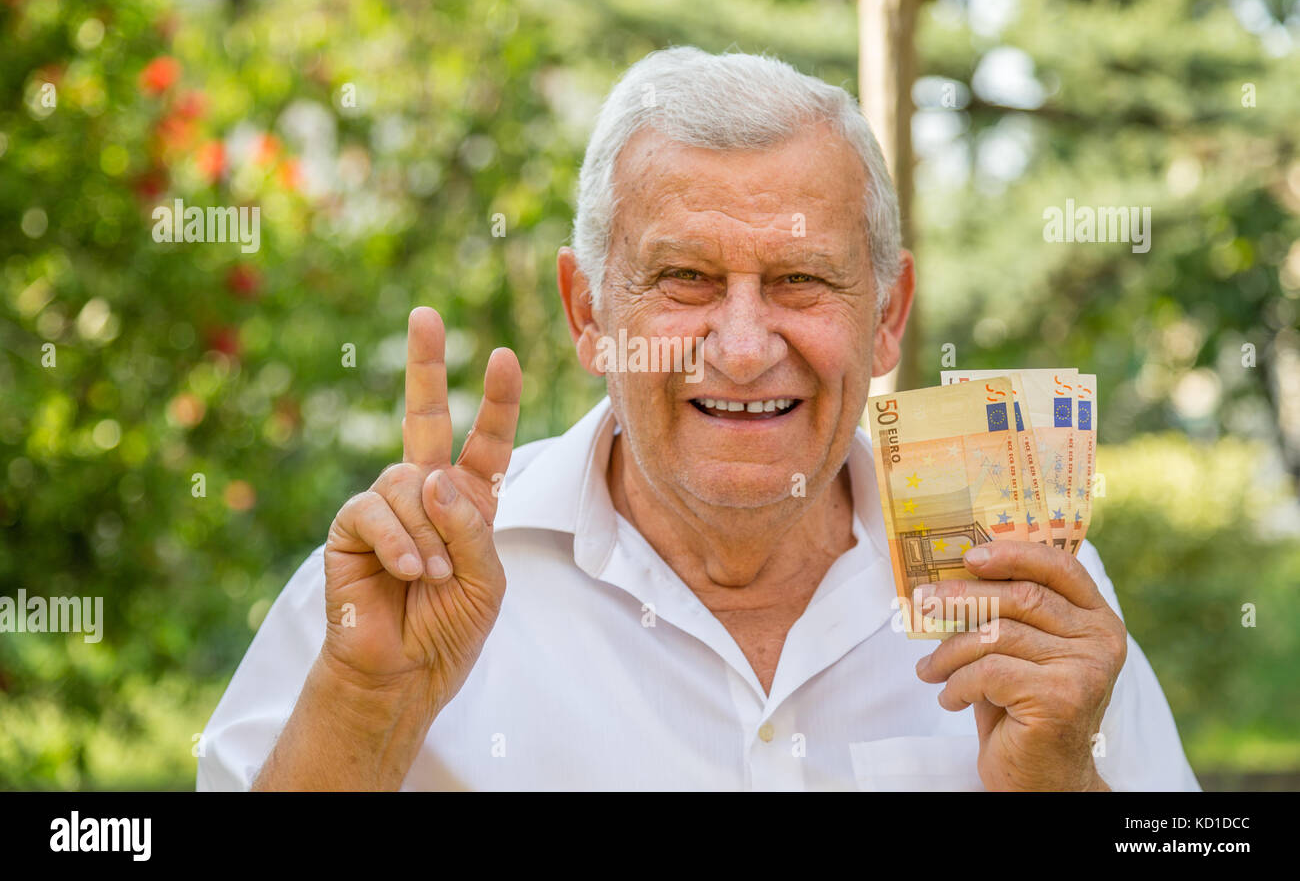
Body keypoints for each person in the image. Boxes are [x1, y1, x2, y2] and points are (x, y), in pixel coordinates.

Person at [198, 47, 1199, 791]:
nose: (742, 343)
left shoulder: (1022, 579)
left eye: (800, 279)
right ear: (589, 311)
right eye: (685, 277)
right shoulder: (417, 575)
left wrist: (1060, 783)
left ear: (887, 315)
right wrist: (365, 712)